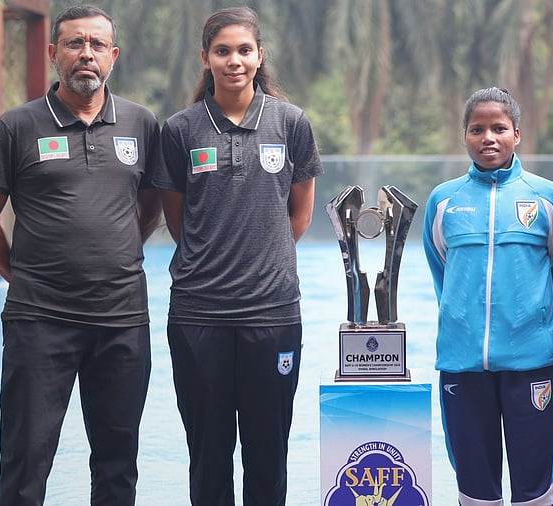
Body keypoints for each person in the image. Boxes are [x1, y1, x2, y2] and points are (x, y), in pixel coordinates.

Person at [0, 4, 163, 505]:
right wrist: (23, 278)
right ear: (54, 53)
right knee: (25, 464)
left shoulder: (142, 124)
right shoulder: (16, 126)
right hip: (40, 323)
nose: (86, 54)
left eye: (97, 45)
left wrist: (116, 255)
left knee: (118, 466)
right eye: (75, 44)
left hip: (121, 321)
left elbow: (153, 206)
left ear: (113, 56)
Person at [150, 7, 322, 506]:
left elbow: (299, 214)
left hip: (272, 313)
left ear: (259, 55)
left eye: (244, 50)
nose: (234, 61)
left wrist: (260, 260)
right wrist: (215, 260)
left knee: (268, 451)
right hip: (198, 314)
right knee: (208, 450)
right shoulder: (180, 129)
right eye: (222, 51)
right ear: (205, 58)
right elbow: (178, 219)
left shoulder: (290, 123)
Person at [422, 87, 553, 506]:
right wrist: (461, 318)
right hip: (462, 361)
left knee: (535, 487)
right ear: (465, 136)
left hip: (531, 361)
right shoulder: (443, 201)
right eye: (477, 129)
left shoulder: (548, 198)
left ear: (517, 134)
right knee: (474, 486)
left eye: (498, 128)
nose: (488, 137)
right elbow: (442, 272)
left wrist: (538, 320)